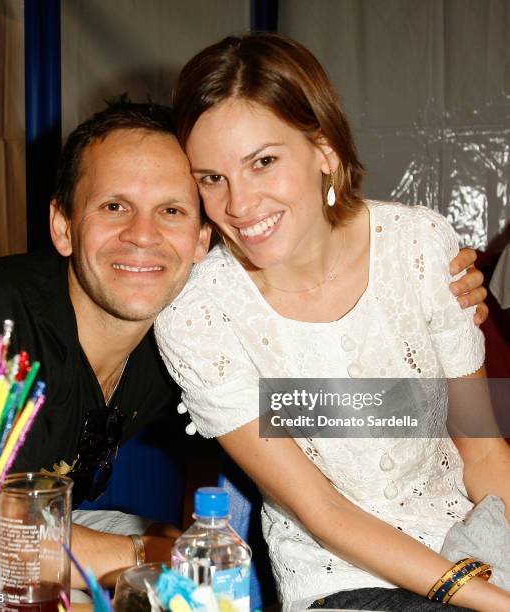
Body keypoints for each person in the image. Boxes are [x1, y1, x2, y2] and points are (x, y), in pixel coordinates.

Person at [155, 33, 510, 610]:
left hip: (477, 545)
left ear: (324, 149)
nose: (239, 205)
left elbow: (485, 452)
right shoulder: (200, 315)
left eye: (263, 162)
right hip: (342, 578)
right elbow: (323, 510)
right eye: (211, 178)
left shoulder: (418, 248)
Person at [0, 99, 210, 585]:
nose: (142, 235)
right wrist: (146, 555)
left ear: (201, 240)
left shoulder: (181, 337)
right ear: (63, 226)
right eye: (115, 206)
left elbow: (283, 410)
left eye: (171, 211)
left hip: (35, 534)